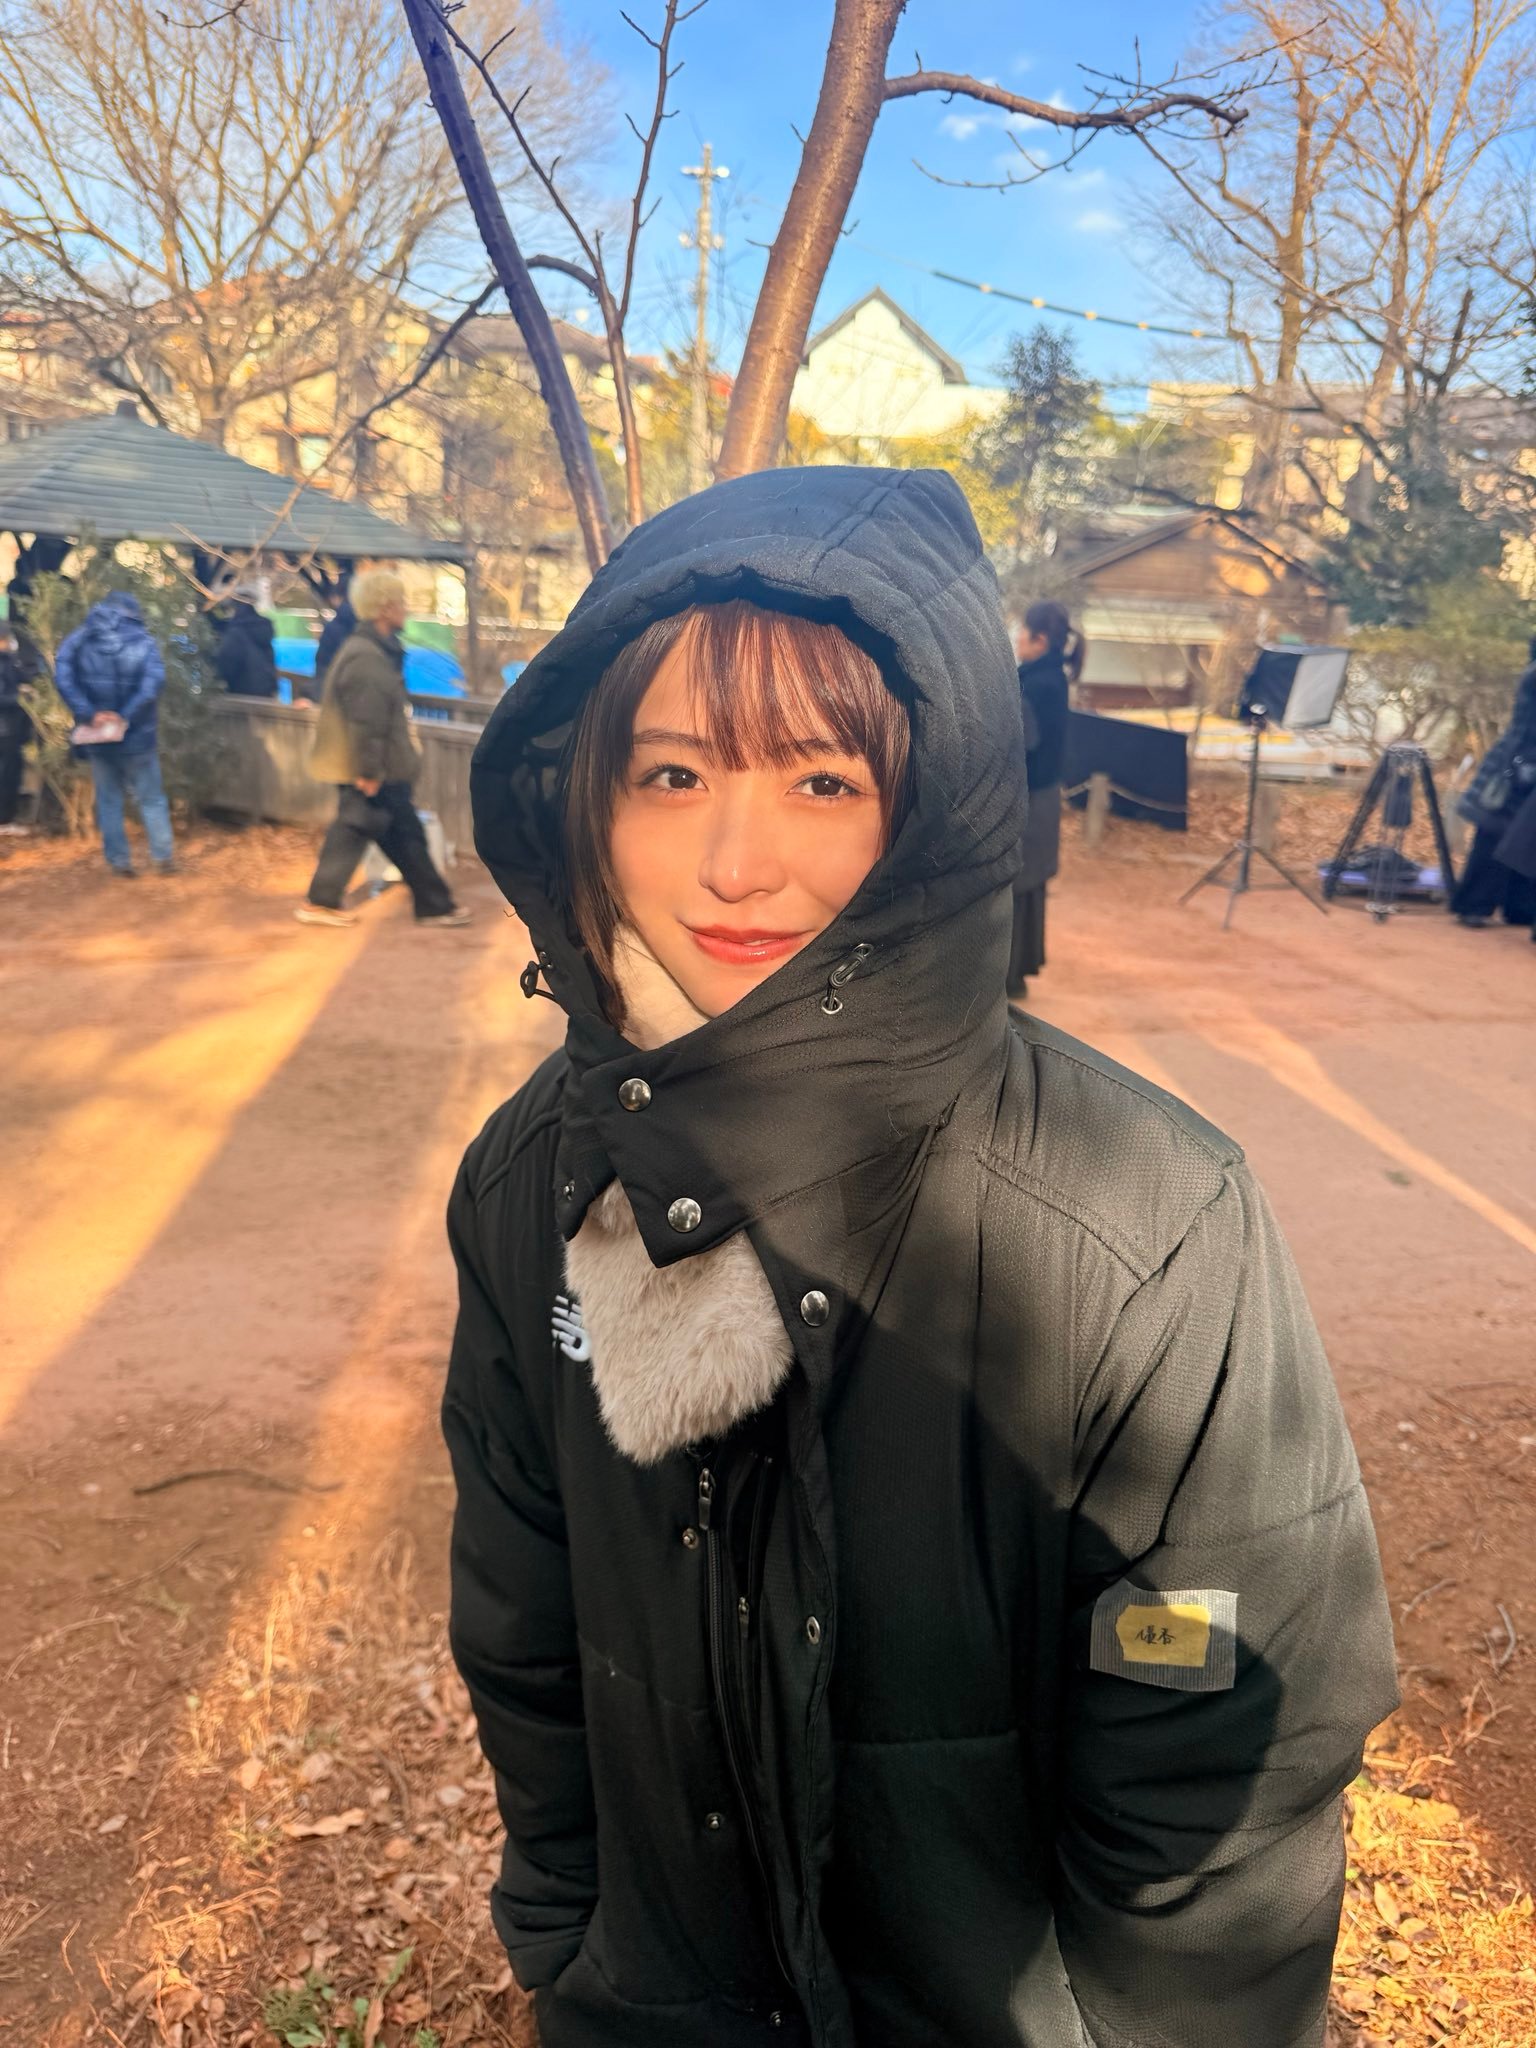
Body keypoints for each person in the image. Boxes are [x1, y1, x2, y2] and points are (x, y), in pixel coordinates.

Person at [444, 468, 1398, 2048]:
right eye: (672, 773)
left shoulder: (1143, 1216)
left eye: (821, 780)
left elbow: (1222, 1747)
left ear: (935, 805)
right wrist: (565, 1933)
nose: (734, 861)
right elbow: (521, 1610)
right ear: (584, 799)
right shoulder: (529, 1175)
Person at [297, 568, 469, 928]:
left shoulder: (373, 650)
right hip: (373, 770)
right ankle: (321, 900)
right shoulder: (366, 658)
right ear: (384, 608)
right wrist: (370, 772)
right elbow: (367, 722)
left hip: (380, 767)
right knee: (358, 828)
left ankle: (434, 905)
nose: (406, 608)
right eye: (401, 602)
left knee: (402, 833)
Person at [54, 590, 176, 877]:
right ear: (133, 612)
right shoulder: (144, 641)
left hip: (97, 735)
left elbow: (63, 675)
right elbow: (153, 684)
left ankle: (118, 861)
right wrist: (124, 716)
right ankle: (163, 858)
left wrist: (90, 713)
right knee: (151, 798)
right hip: (138, 736)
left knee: (109, 799)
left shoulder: (81, 638)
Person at [1008, 598, 1082, 999]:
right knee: (1026, 886)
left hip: (1031, 799)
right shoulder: (1050, 678)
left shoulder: (1038, 684)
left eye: (1023, 631)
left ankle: (1009, 975)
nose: (1018, 638)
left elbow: (1023, 742)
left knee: (1018, 884)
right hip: (1042, 795)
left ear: (1040, 639)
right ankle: (1016, 971)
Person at [1452, 639, 1536, 927]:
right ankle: (1473, 904)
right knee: (1493, 835)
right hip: (1516, 765)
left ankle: (1520, 907)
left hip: (1521, 762)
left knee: (1527, 840)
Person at [0, 617, 43, 833]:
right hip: (5, 727)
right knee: (7, 773)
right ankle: (4, 819)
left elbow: (24, 674)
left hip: (10, 727)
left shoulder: (8, 659)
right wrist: (20, 697)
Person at [211, 593, 279, 699]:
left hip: (241, 694)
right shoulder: (262, 629)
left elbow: (226, 665)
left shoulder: (236, 632)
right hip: (266, 693)